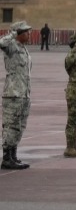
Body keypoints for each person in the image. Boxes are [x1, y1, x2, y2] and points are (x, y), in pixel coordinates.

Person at [1, 21, 33, 169]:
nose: (29, 34)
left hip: (24, 93)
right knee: (11, 125)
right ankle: (7, 157)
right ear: (19, 33)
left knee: (20, 126)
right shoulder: (11, 46)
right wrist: (13, 33)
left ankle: (13, 155)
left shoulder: (24, 49)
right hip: (13, 93)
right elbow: (1, 43)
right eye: (25, 32)